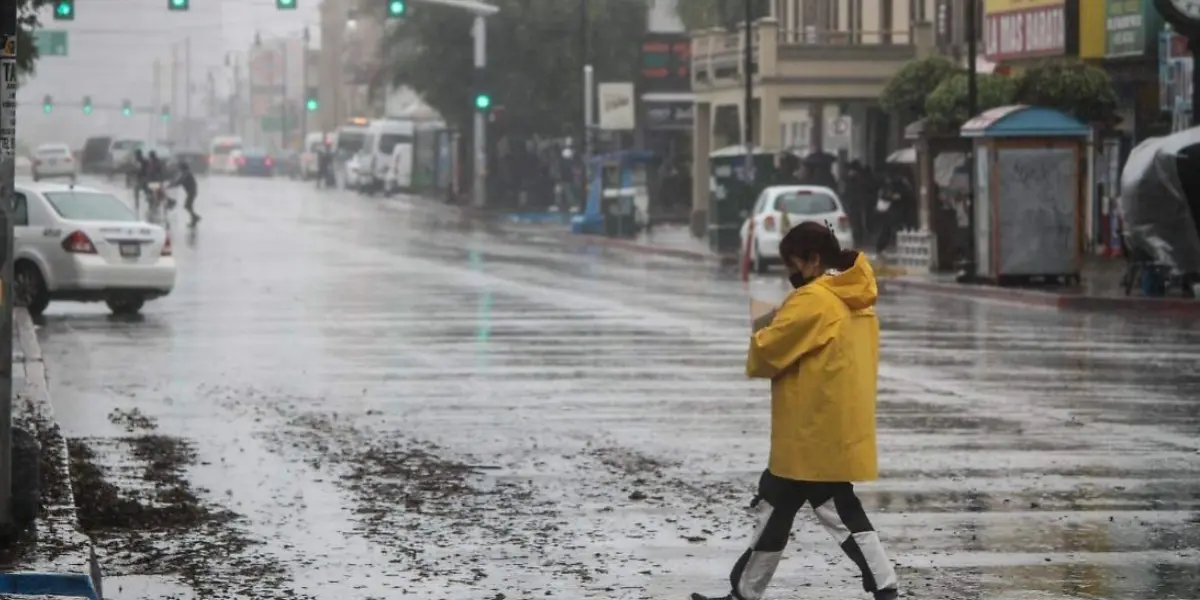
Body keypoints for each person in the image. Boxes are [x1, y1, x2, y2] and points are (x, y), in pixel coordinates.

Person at [692, 221, 899, 600]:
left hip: (812, 432)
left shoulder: (814, 300)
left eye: (794, 264)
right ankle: (743, 592)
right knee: (774, 506)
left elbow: (767, 352)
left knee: (839, 512)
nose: (791, 273)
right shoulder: (854, 298)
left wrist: (762, 321)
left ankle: (885, 587)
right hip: (827, 425)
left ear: (814, 260)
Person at [169, 159, 200, 226]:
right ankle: (194, 217)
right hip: (191, 191)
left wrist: (171, 185)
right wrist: (172, 184)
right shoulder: (185, 173)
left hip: (191, 192)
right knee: (188, 206)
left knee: (187, 206)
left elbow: (180, 181)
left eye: (179, 167)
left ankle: (195, 218)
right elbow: (178, 180)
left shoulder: (186, 173)